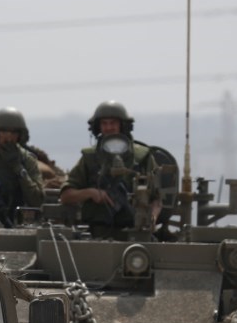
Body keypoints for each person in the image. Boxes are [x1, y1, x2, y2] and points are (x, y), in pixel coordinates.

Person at [59, 100, 162, 239]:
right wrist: (91, 193)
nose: (108, 128)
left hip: (136, 233)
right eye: (104, 123)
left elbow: (157, 198)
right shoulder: (90, 158)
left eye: (113, 123)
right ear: (97, 127)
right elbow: (66, 196)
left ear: (123, 125)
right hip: (96, 234)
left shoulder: (142, 157)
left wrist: (152, 217)